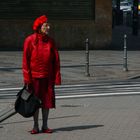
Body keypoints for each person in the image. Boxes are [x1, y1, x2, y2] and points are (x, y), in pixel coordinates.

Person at [22, 15, 61, 134]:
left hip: (47, 77)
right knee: (35, 102)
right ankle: (35, 126)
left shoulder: (51, 41)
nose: (48, 27)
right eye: (46, 25)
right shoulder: (30, 40)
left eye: (48, 25)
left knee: (46, 102)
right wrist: (27, 78)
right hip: (34, 78)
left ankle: (45, 125)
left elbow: (56, 61)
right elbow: (25, 61)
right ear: (39, 27)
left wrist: (56, 77)